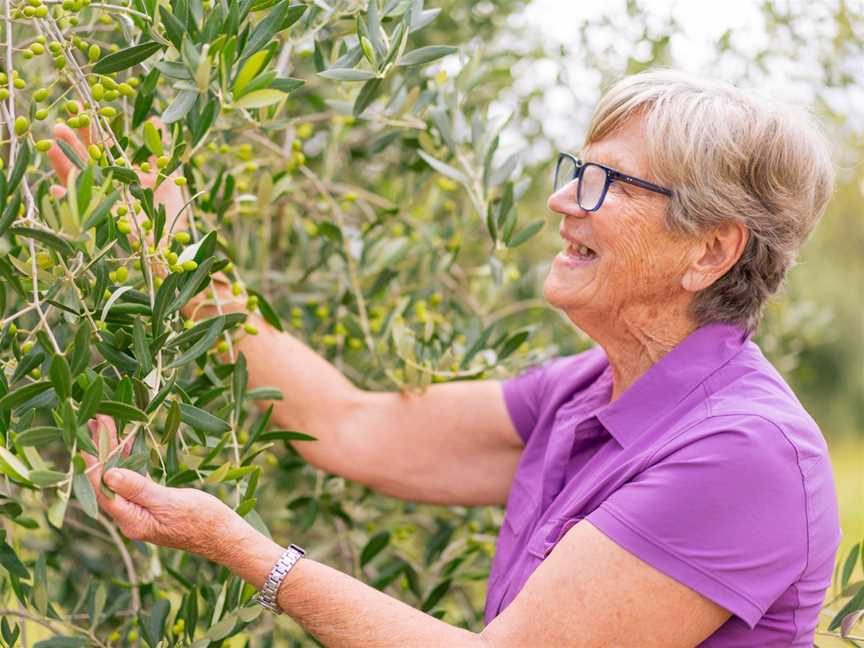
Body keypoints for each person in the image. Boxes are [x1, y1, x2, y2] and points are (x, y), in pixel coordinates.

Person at [51, 69, 841, 646]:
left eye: (606, 183)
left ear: (708, 251)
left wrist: (246, 551)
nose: (563, 200)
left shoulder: (742, 454)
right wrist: (175, 258)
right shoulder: (586, 392)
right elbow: (346, 424)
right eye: (576, 171)